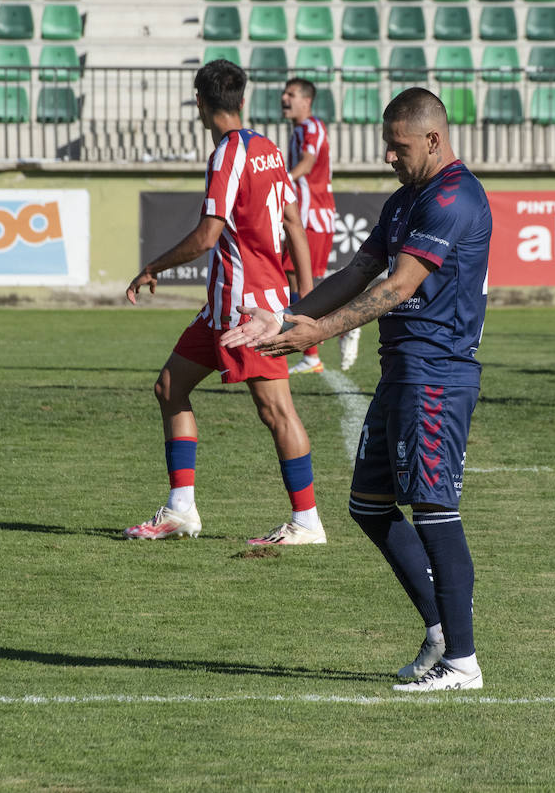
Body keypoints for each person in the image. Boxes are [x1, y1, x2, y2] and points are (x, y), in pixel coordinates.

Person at [221, 87, 492, 692]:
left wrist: (320, 330)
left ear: (432, 139)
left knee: (433, 509)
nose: (388, 158)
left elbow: (399, 286)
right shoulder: (404, 202)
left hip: (438, 373)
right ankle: (441, 632)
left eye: (398, 148)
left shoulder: (454, 197)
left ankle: (464, 662)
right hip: (402, 369)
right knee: (368, 505)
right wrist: (288, 317)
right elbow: (356, 272)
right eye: (385, 146)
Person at [122, 59, 326, 547]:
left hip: (245, 308)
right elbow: (294, 223)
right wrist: (306, 294)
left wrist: (154, 266)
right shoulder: (270, 150)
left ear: (200, 102)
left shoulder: (227, 154)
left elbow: (207, 235)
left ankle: (307, 521)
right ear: (241, 99)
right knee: (169, 386)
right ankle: (180, 510)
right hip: (223, 306)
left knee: (275, 409)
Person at [278, 78, 361, 373]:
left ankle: (344, 324)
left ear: (306, 101)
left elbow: (308, 163)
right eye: (284, 93)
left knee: (303, 283)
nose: (283, 98)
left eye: (291, 94)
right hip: (304, 217)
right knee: (296, 280)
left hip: (313, 218)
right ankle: (313, 353)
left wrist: (282, 180)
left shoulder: (312, 126)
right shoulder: (298, 130)